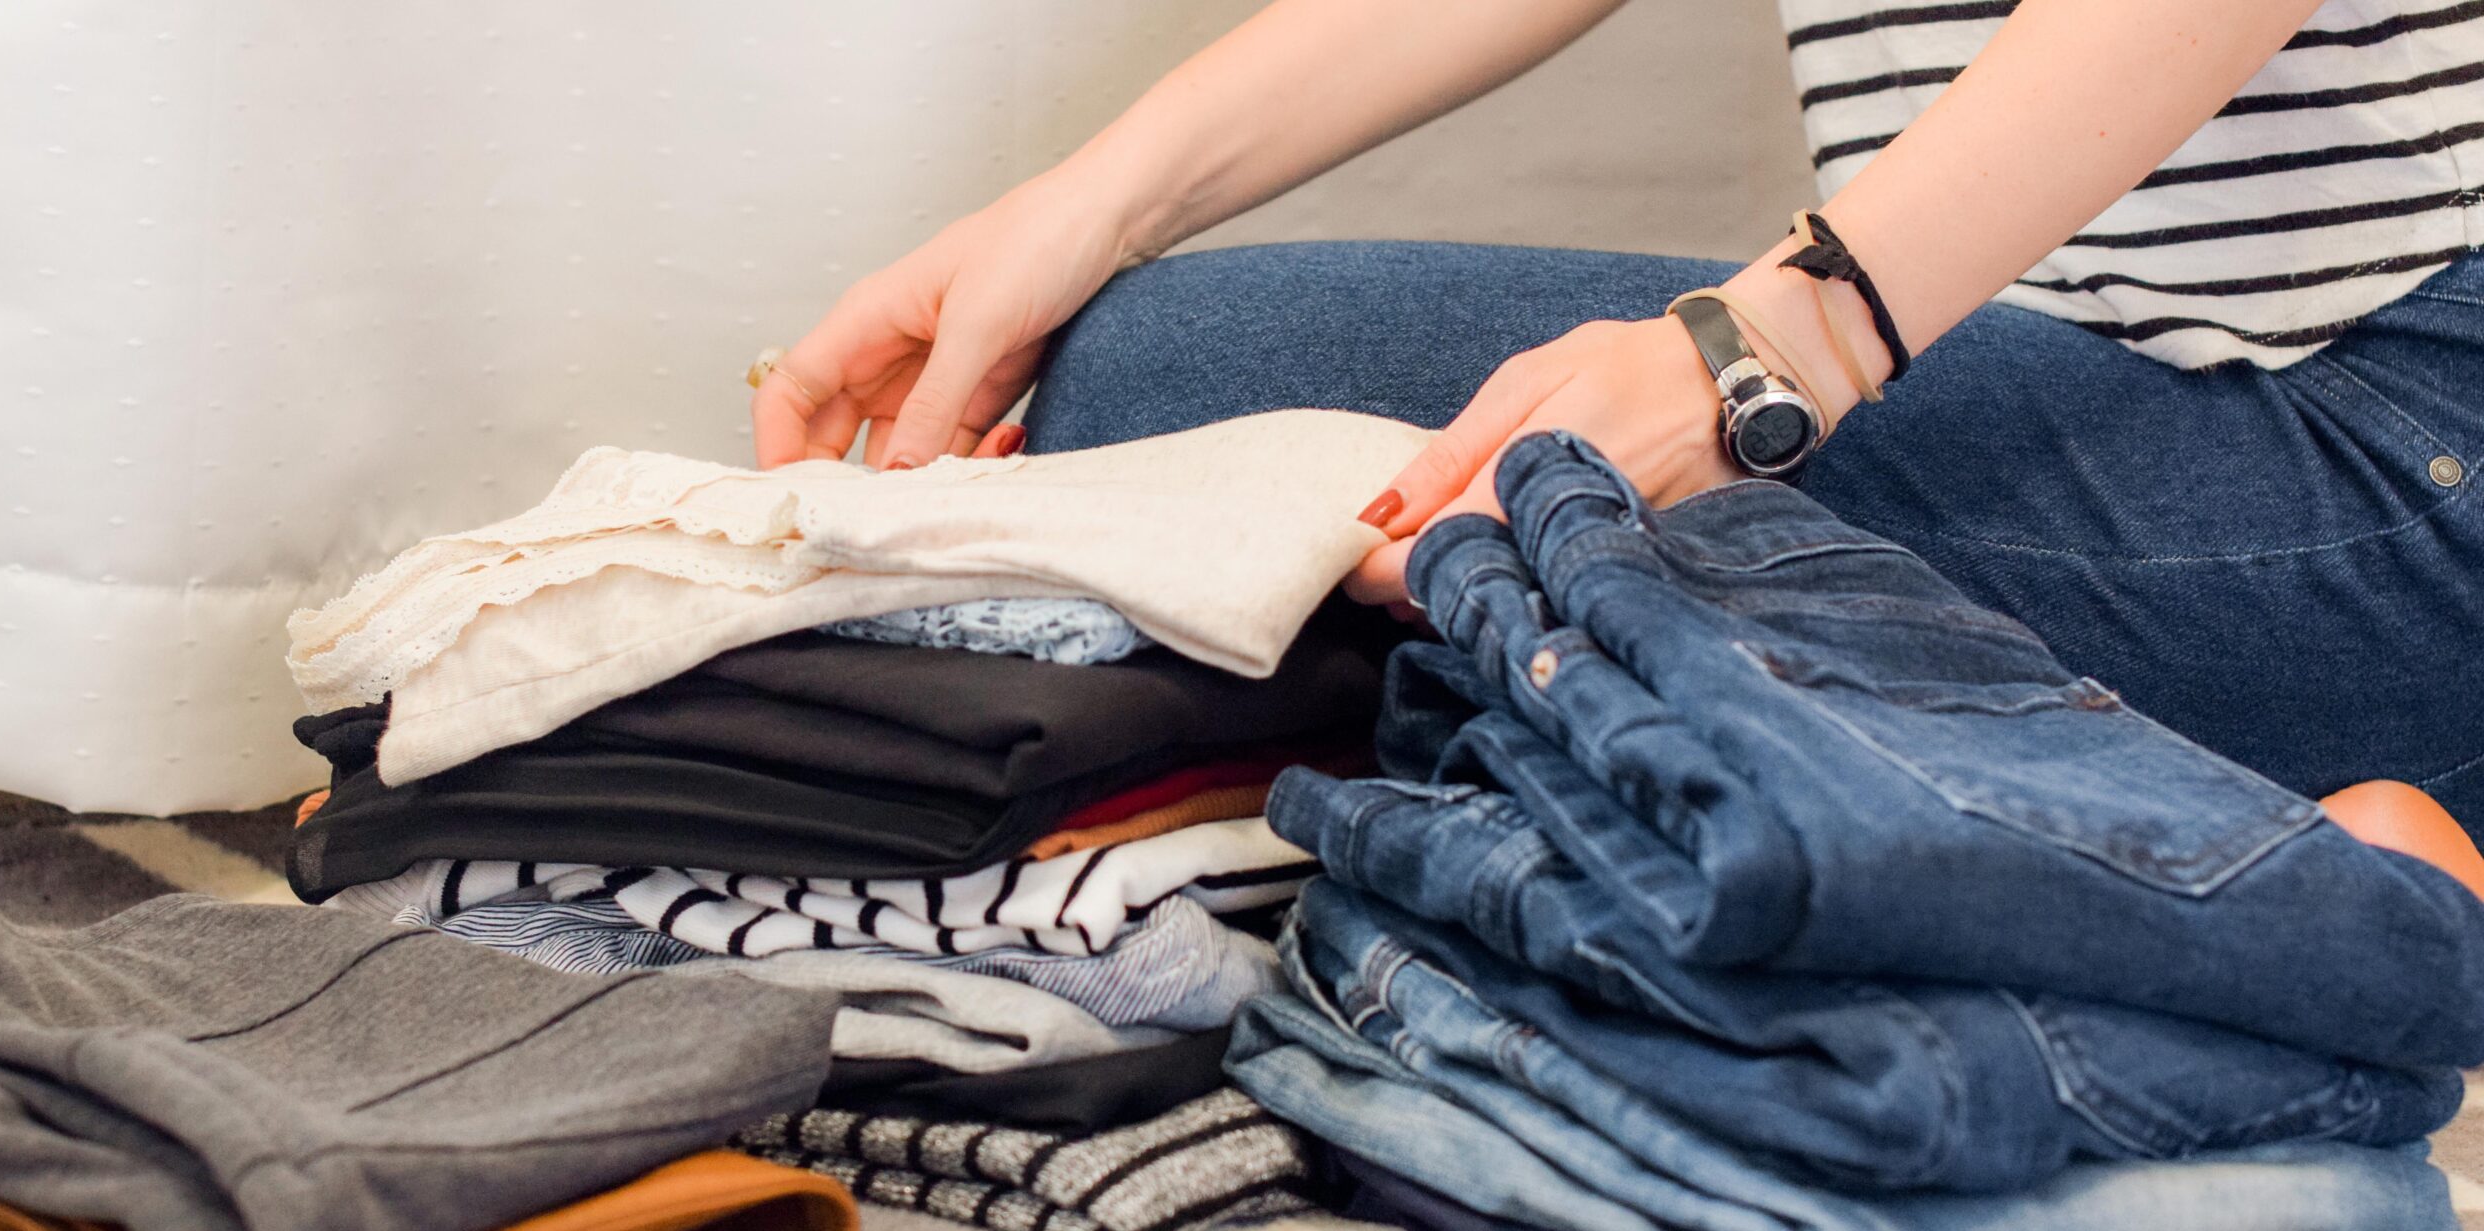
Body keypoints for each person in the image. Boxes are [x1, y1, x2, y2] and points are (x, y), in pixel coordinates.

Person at [745, 0, 2484, 874]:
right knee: (1134, 385)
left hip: (2377, 424)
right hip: (2072, 374)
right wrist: (1094, 205)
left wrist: (1793, 335)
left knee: (1186, 419)